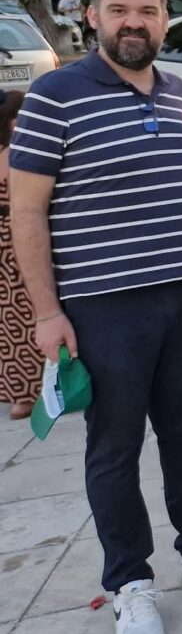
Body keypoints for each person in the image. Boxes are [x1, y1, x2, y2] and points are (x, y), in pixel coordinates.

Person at [8, 0, 182, 634]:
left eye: (147, 11)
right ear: (92, 17)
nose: (134, 23)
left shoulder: (176, 92)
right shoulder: (55, 94)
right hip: (103, 306)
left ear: (164, 20)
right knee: (114, 447)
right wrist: (46, 312)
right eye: (119, 11)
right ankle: (130, 581)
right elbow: (27, 211)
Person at [0, 90, 44, 420]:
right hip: (17, 238)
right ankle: (25, 395)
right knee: (27, 313)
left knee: (9, 317)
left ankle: (18, 391)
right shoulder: (19, 155)